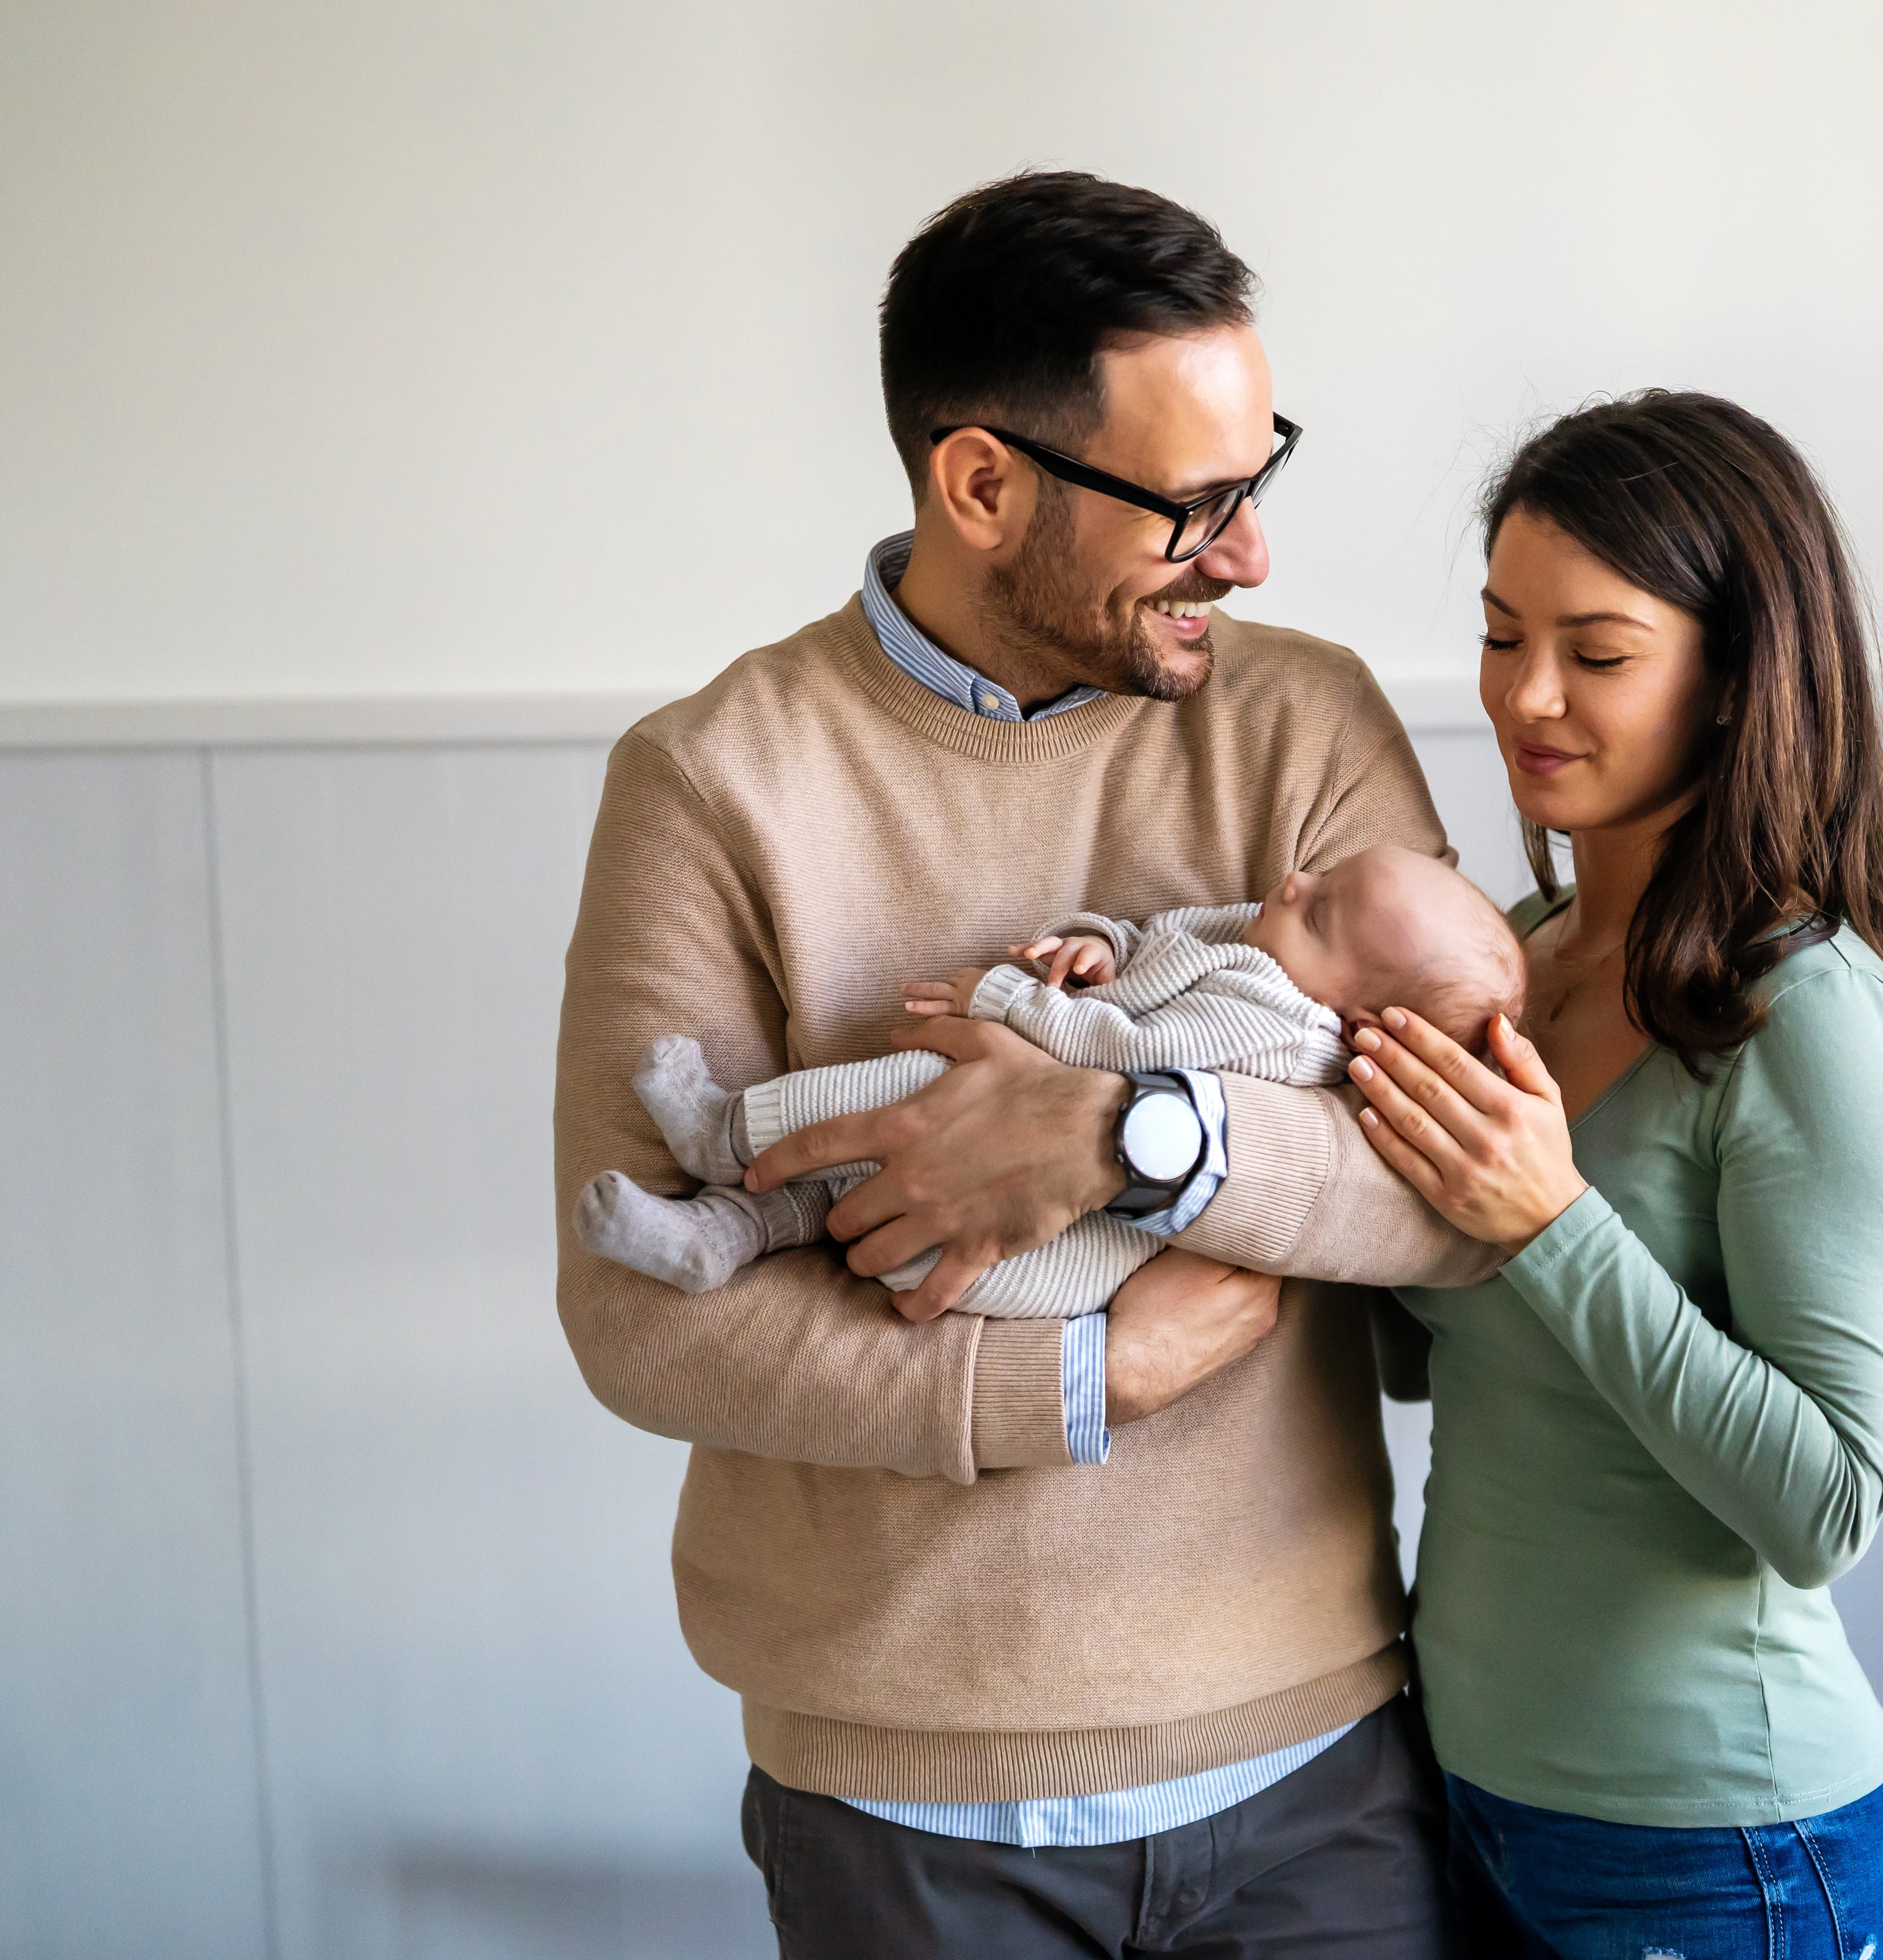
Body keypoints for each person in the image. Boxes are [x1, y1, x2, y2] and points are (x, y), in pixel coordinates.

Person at [551, 171, 1492, 1957]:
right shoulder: (707, 783)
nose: (1250, 555)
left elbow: (1451, 1190)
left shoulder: (1305, 728)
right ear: (980, 484)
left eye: (1257, 479)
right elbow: (638, 1311)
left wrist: (1124, 1135)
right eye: (1195, 506)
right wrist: (1078, 1382)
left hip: (1314, 1774)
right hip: (898, 1809)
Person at [1345, 392, 1883, 1959]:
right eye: (1502, 635)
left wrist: (1550, 1220)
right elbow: (1428, 1359)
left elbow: (1827, 1501)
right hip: (1471, 1794)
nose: (1528, 696)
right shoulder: (1522, 951)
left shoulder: (1814, 1017)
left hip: (1723, 1853)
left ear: (1730, 679)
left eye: (1599, 650)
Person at [572, 845, 1526, 1307]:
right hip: (953, 1236)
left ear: (1360, 1023)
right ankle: (724, 1232)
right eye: (1318, 875)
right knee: (857, 1174)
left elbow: (1122, 1064)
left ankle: (720, 1134)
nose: (1289, 886)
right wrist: (1099, 945)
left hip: (1026, 1257)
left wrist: (1013, 1002)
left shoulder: (1279, 1027)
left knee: (916, 1083)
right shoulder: (1281, 947)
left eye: (1318, 913)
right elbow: (1171, 943)